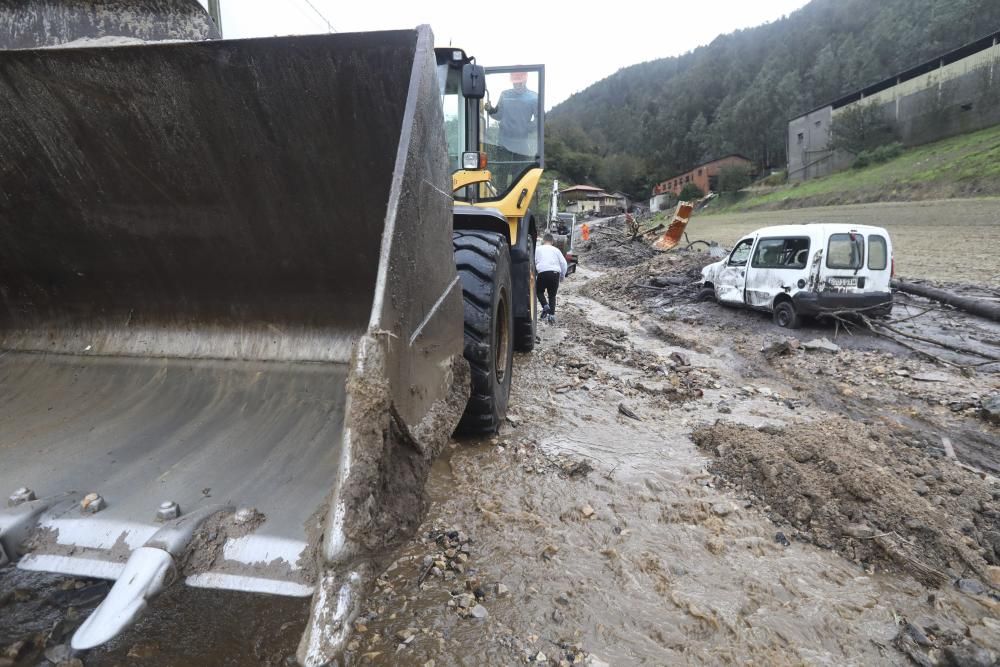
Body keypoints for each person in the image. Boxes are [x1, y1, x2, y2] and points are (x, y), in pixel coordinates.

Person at [484, 72, 538, 191]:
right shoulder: (505, 95)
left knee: (519, 174)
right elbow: (499, 114)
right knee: (502, 172)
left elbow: (540, 118)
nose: (516, 85)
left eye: (519, 82)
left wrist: (526, 128)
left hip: (522, 143)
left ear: (525, 81)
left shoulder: (533, 97)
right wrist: (491, 110)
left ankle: (516, 200)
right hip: (504, 142)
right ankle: (500, 196)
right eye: (514, 82)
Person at [535, 233, 567, 324]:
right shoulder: (556, 250)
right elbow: (563, 263)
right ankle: (551, 317)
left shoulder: (538, 249)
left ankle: (545, 305)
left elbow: (532, 262)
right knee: (552, 296)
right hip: (555, 273)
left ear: (543, 241)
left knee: (539, 291)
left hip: (543, 272)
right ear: (552, 242)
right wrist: (562, 276)